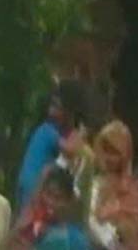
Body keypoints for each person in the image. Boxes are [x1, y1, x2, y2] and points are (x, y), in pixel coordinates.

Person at [0, 168, 97, 250]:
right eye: (48, 194)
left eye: (58, 198)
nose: (50, 202)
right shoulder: (42, 232)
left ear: (69, 201)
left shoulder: (61, 238)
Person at [88, 120, 138, 250]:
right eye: (106, 151)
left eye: (115, 152)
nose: (109, 158)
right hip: (102, 246)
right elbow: (92, 218)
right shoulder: (94, 184)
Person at [15, 80, 86, 213]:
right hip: (32, 183)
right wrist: (81, 134)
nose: (52, 109)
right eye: (52, 104)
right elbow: (70, 150)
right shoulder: (48, 130)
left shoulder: (47, 129)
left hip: (26, 182)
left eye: (57, 106)